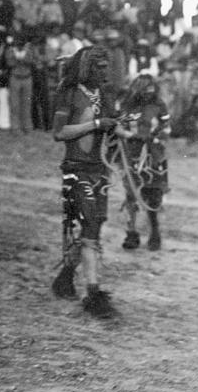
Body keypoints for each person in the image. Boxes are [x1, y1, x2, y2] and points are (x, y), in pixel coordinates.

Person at [50, 46, 120, 318]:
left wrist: (119, 128)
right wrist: (95, 125)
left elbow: (109, 127)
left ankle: (66, 276)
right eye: (99, 67)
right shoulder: (69, 92)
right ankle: (93, 291)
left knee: (94, 226)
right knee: (90, 223)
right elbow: (59, 132)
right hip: (76, 168)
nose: (104, 71)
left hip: (99, 170)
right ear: (86, 67)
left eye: (106, 66)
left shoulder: (105, 94)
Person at [115, 74, 171, 251]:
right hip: (132, 154)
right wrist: (130, 136)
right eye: (145, 91)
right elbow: (119, 126)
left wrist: (156, 138)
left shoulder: (159, 105)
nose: (148, 95)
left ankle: (155, 231)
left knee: (153, 194)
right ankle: (132, 233)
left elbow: (166, 126)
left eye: (151, 91)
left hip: (154, 155)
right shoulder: (127, 106)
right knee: (131, 193)